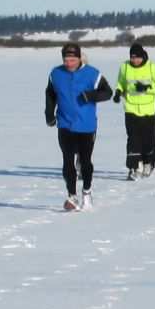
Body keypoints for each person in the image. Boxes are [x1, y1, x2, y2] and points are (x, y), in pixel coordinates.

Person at [45, 43, 113, 210]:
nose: (69, 63)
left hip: (86, 125)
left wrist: (90, 95)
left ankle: (87, 192)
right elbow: (50, 94)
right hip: (65, 124)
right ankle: (72, 196)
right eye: (66, 60)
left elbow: (108, 92)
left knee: (85, 161)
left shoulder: (92, 73)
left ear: (79, 58)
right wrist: (49, 114)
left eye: (72, 59)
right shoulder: (56, 73)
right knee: (67, 161)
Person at [114, 43, 155, 180]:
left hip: (149, 110)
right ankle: (133, 168)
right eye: (132, 57)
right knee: (133, 140)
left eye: (137, 57)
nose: (135, 60)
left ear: (142, 56)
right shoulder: (125, 67)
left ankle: (148, 163)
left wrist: (147, 88)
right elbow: (121, 81)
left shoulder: (152, 67)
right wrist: (118, 91)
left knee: (148, 140)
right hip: (131, 109)